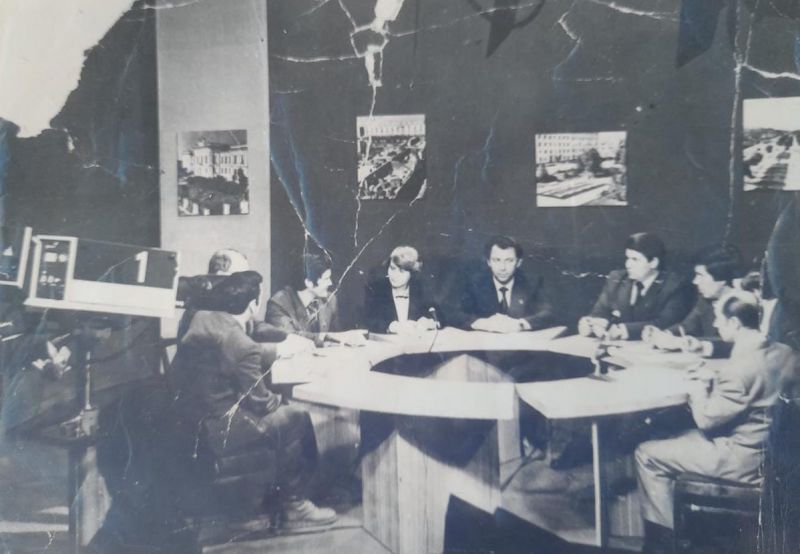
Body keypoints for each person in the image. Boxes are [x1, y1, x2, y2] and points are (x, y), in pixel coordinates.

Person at [170, 271, 337, 530]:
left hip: (188, 417)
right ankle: (295, 505)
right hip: (218, 426)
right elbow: (262, 403)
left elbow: (242, 342)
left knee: (283, 417)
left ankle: (273, 498)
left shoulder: (203, 318)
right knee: (296, 417)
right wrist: (282, 399)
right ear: (253, 304)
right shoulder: (240, 344)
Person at [634, 292, 796, 552]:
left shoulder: (738, 370)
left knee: (647, 453)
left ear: (734, 323)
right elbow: (756, 382)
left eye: (719, 319)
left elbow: (706, 420)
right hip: (776, 457)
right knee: (673, 439)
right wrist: (717, 377)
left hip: (742, 460)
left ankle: (662, 545)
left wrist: (698, 389)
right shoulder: (786, 353)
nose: (715, 324)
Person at [579, 232, 693, 340]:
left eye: (635, 259)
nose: (628, 264)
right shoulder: (616, 278)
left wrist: (625, 330)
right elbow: (600, 311)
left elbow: (666, 322)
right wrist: (593, 323)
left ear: (653, 262)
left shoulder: (674, 285)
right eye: (627, 258)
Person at [643, 246, 741, 358]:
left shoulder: (744, 304)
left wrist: (698, 345)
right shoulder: (705, 300)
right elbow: (687, 326)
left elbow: (739, 343)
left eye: (701, 275)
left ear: (721, 279)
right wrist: (664, 335)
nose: (695, 281)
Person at [450, 235, 553, 333]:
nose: (502, 268)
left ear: (518, 263)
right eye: (496, 260)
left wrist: (520, 324)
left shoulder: (532, 282)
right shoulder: (475, 283)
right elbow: (453, 312)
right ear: (489, 262)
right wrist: (482, 323)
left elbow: (549, 313)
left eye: (509, 260)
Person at [266, 253, 367, 347]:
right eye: (326, 279)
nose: (330, 283)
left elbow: (337, 340)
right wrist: (327, 337)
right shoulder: (278, 304)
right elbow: (289, 338)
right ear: (309, 282)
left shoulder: (330, 300)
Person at [363, 245, 438, 334]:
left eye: (402, 271)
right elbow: (367, 321)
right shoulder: (376, 289)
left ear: (412, 273)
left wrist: (429, 322)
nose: (395, 275)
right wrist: (392, 327)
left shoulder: (420, 289)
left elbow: (439, 315)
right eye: (392, 268)